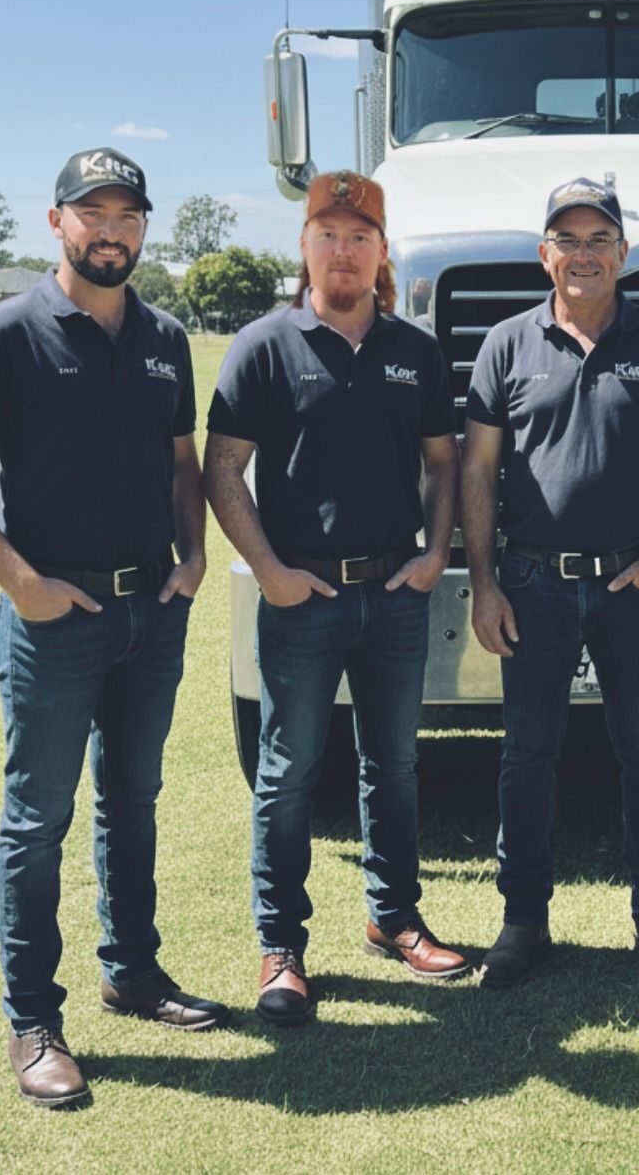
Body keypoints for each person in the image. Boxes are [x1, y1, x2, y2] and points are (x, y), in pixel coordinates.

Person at [0, 147, 224, 1108]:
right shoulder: (5, 333)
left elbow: (184, 462)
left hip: (151, 614)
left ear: (143, 228)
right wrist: (22, 583)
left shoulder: (164, 335)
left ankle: (131, 969)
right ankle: (33, 1019)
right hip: (53, 621)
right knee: (37, 819)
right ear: (57, 223)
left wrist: (193, 555)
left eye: (127, 215)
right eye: (91, 213)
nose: (111, 230)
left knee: (133, 800)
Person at [204, 171, 466, 1025]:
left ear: (382, 251)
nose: (343, 250)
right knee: (287, 775)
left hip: (393, 592)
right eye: (328, 233)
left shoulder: (415, 352)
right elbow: (222, 469)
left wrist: (434, 554)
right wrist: (271, 571)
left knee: (392, 764)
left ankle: (393, 918)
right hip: (302, 596)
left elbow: (443, 463)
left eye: (360, 236)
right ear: (304, 246)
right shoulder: (263, 346)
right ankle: (281, 948)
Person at [462, 177, 639, 989]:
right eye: (566, 241)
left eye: (598, 240)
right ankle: (523, 921)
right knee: (527, 757)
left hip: (632, 587)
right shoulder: (507, 343)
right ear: (544, 256)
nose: (582, 254)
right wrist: (485, 582)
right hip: (531, 583)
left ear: (623, 254)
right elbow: (479, 468)